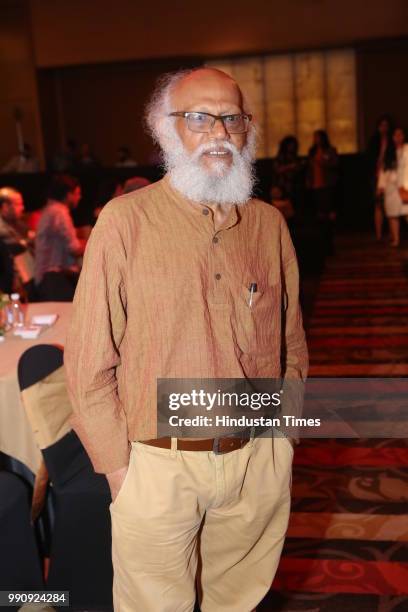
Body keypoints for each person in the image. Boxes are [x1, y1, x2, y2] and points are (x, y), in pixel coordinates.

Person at [65, 67, 308, 612]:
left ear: (248, 130)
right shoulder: (125, 223)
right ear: (164, 129)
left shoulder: (269, 226)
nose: (218, 131)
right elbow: (87, 363)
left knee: (239, 604)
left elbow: (292, 345)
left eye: (232, 118)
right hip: (156, 469)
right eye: (198, 118)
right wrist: (122, 473)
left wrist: (281, 441)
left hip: (255, 464)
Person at [34, 175, 86, 301]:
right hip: (54, 279)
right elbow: (74, 249)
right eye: (77, 193)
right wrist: (95, 241)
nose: (80, 197)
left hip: (50, 278)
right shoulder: (59, 212)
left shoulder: (50, 210)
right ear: (68, 194)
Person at [306, 129, 339, 255]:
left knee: (329, 214)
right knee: (319, 215)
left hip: (328, 185)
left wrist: (322, 162)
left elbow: (335, 164)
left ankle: (331, 241)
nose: (316, 140)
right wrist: (308, 180)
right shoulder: (312, 151)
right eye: (315, 137)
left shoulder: (330, 150)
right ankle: (322, 244)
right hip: (316, 186)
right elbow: (309, 168)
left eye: (318, 137)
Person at [378, 127, 408, 247]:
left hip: (405, 185)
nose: (398, 137)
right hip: (392, 186)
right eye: (395, 135)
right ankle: (396, 239)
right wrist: (381, 186)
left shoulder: (407, 149)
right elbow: (383, 170)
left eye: (400, 134)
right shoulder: (389, 152)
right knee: (392, 214)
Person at [366, 115, 394, 240]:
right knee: (378, 204)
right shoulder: (374, 141)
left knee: (389, 203)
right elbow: (370, 159)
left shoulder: (392, 141)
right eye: (382, 126)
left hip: (389, 175)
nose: (384, 128)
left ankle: (392, 232)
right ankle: (378, 233)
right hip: (376, 176)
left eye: (386, 126)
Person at [0, 188, 31, 294]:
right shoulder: (1, 228)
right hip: (8, 284)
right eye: (18, 204)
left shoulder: (18, 224)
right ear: (5, 206)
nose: (22, 208)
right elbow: (17, 246)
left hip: (24, 277)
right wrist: (30, 240)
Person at [272, 135, 304, 206]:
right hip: (282, 186)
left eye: (293, 145)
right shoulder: (281, 157)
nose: (292, 147)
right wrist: (290, 167)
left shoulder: (295, 157)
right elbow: (277, 170)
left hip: (294, 187)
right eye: (290, 145)